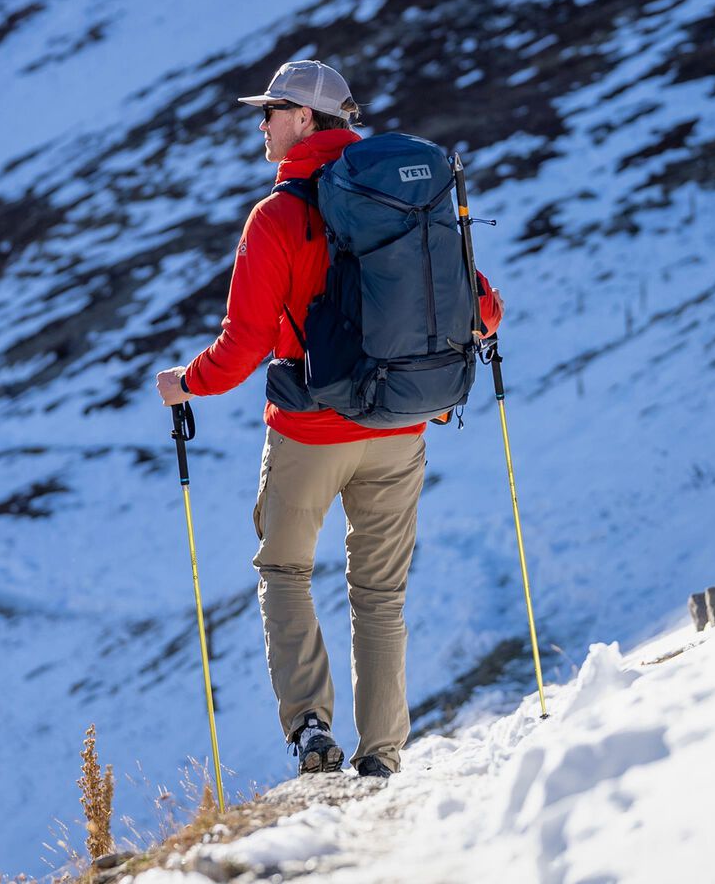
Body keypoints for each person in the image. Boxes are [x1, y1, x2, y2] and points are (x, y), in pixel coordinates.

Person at [156, 60, 503, 779]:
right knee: (379, 594)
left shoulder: (276, 217)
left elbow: (244, 346)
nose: (262, 124)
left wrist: (185, 383)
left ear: (306, 119)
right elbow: (482, 308)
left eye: (273, 110)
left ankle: (312, 726)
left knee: (283, 569)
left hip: (309, 433)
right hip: (400, 428)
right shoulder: (407, 201)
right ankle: (381, 756)